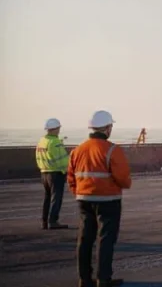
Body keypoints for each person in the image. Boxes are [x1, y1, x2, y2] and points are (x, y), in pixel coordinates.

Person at [67, 110, 131, 287]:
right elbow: (123, 178)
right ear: (107, 128)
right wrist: (123, 185)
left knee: (85, 239)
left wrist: (79, 192)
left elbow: (71, 177)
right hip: (108, 201)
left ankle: (84, 279)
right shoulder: (112, 150)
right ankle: (103, 279)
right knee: (106, 239)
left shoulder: (77, 150)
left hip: (84, 200)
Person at [36, 117, 70, 230]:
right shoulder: (55, 142)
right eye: (58, 128)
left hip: (44, 172)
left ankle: (44, 221)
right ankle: (53, 221)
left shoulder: (42, 141)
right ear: (55, 129)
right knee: (56, 198)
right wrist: (69, 167)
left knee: (47, 197)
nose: (59, 130)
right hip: (56, 173)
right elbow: (62, 159)